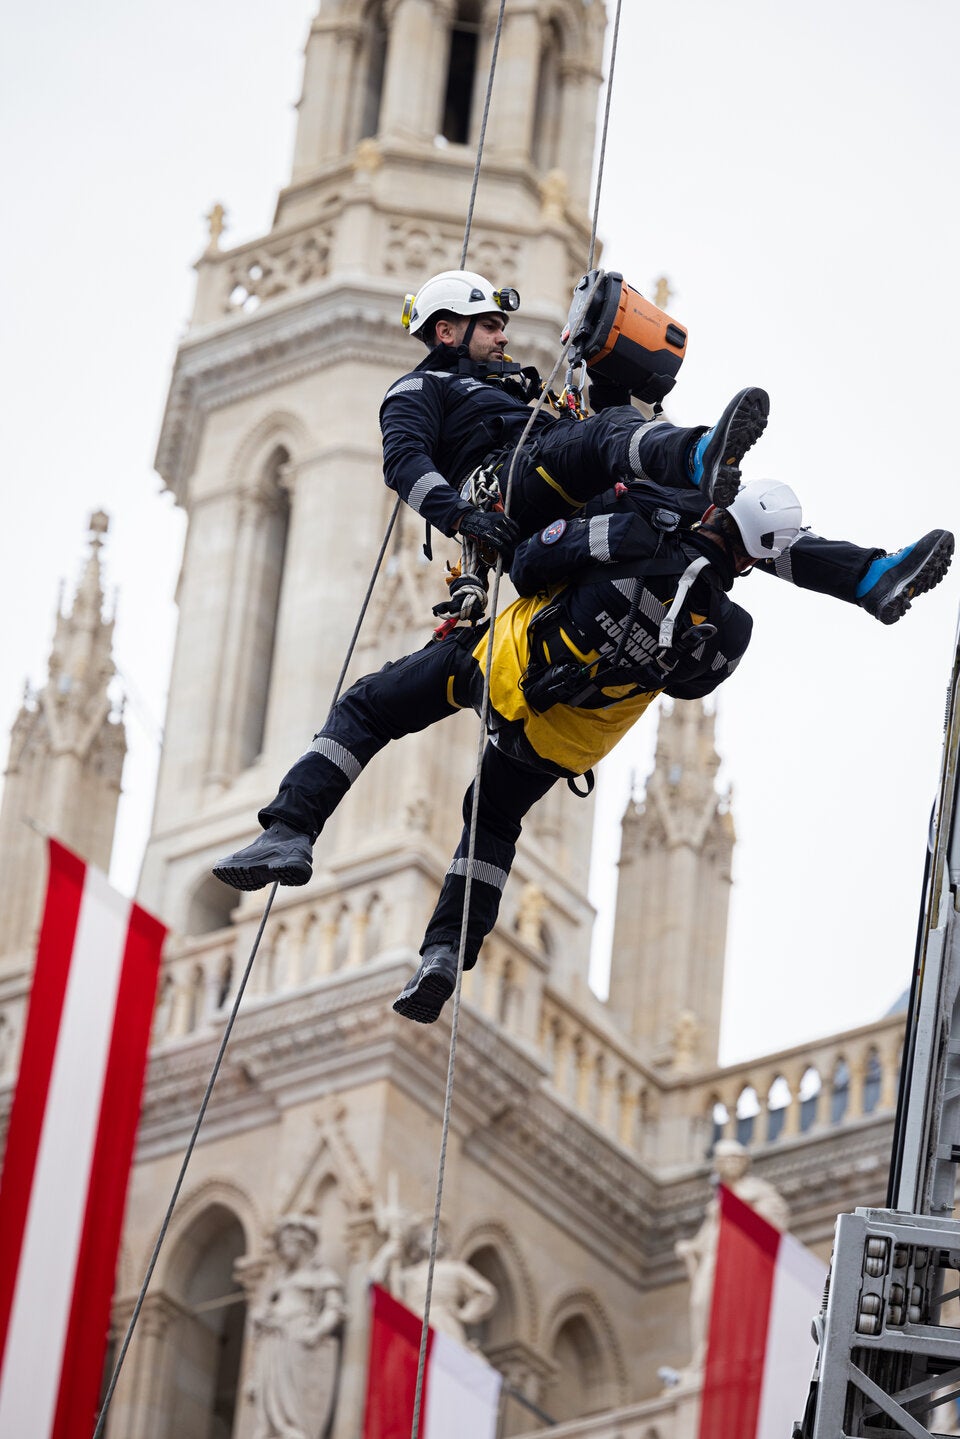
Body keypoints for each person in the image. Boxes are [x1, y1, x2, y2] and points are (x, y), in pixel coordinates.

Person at [214, 478, 800, 1022]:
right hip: (564, 740)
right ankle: (446, 950)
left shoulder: (630, 532)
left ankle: (292, 829)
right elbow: (688, 685)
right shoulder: (732, 630)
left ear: (718, 509)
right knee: (492, 821)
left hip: (506, 672)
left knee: (369, 707)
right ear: (754, 559)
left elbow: (529, 564)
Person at [381, 269, 953, 626]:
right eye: (488, 325)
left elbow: (594, 426)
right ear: (446, 331)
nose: (503, 335)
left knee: (735, 517)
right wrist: (463, 519)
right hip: (511, 496)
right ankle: (699, 456)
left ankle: (867, 577)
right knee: (607, 436)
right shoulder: (418, 389)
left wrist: (606, 370)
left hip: (571, 502)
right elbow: (404, 463)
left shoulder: (520, 390)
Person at [675, 1141, 789, 1373]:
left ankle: (733, 1354)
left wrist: (742, 1209)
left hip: (740, 1260)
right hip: (714, 1259)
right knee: (701, 1301)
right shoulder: (718, 1199)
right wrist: (691, 1247)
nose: (730, 1164)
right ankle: (704, 1353)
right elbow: (708, 1234)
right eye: (725, 1159)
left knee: (736, 1303)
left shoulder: (756, 1190)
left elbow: (776, 1220)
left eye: (736, 1159)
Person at [245, 1214, 344, 1439]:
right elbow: (259, 1330)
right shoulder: (279, 1282)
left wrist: (317, 1330)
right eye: (280, 1245)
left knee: (291, 1401)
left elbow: (335, 1309)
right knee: (268, 1401)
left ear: (303, 1244)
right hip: (273, 1339)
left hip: (297, 1337)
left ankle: (293, 1428)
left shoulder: (320, 1276)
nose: (282, 1250)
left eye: (287, 1244)